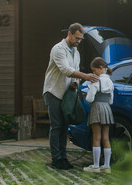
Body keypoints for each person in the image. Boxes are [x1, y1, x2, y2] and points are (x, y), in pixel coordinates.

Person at [43, 22, 98, 170]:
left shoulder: (77, 52)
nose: (78, 41)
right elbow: (66, 70)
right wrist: (86, 76)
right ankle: (56, 160)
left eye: (81, 39)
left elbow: (75, 72)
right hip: (53, 91)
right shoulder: (58, 49)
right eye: (77, 38)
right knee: (57, 126)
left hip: (67, 94)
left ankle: (63, 158)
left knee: (65, 126)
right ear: (69, 34)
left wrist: (77, 82)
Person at [83, 57, 115, 174]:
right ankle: (106, 166)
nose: (93, 73)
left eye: (94, 70)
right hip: (107, 108)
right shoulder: (110, 81)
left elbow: (89, 99)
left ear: (100, 68)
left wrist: (90, 89)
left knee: (96, 137)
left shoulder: (96, 81)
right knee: (106, 137)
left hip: (96, 108)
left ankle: (96, 166)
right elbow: (111, 101)